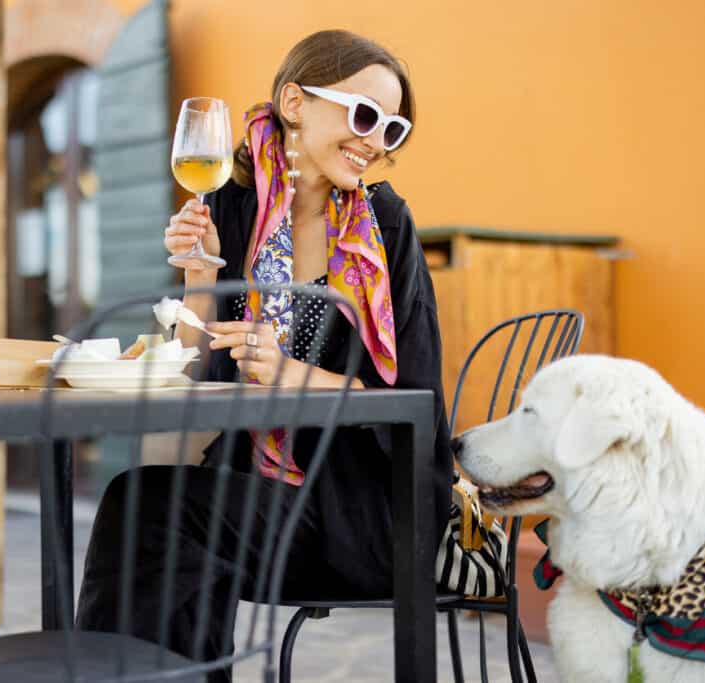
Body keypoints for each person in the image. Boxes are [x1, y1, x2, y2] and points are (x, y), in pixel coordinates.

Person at [76, 29, 453, 681]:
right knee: (140, 502)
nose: (374, 140)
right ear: (294, 101)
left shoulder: (385, 227)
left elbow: (416, 405)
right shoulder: (233, 201)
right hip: (258, 488)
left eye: (391, 129)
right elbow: (189, 364)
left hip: (367, 512)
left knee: (163, 510)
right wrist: (198, 276)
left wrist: (293, 374)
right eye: (364, 115)